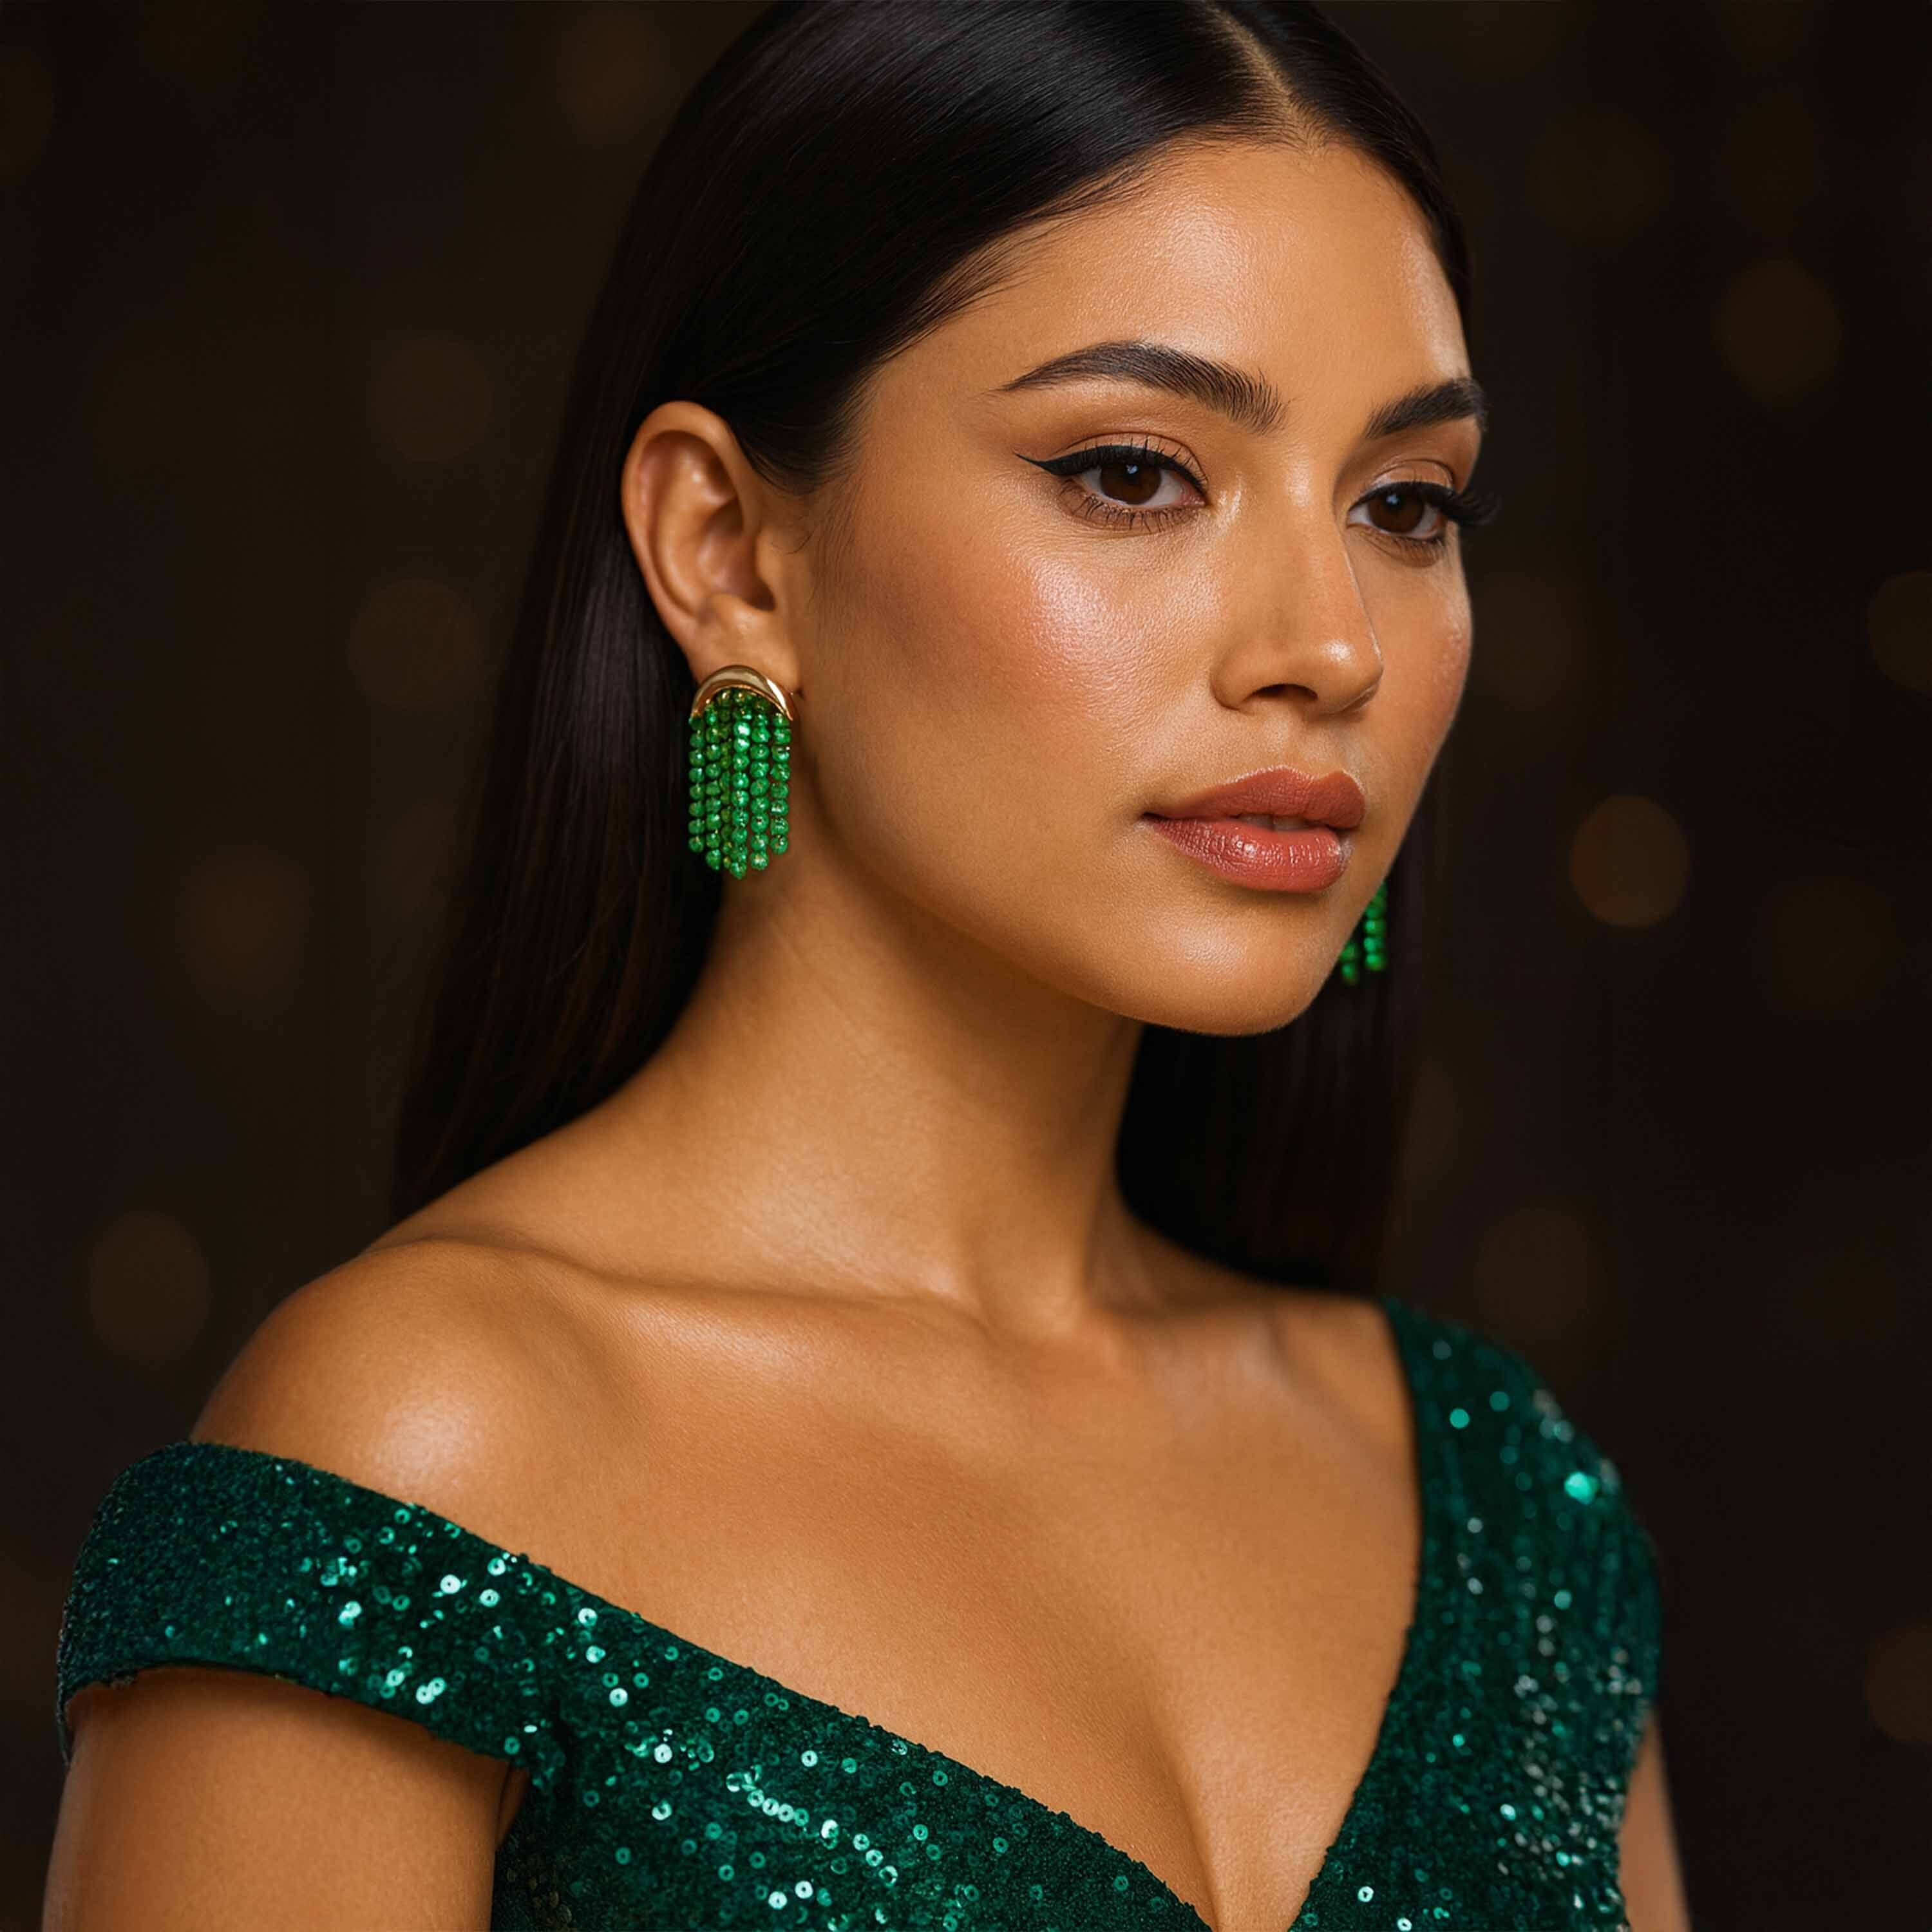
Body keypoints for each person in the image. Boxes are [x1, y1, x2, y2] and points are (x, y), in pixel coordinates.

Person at [44, 4, 1692, 1928]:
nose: (1333, 645)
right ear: (729, 551)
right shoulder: (423, 1458)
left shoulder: (1504, 1512)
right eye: (1137, 474)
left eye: (1406, 506)